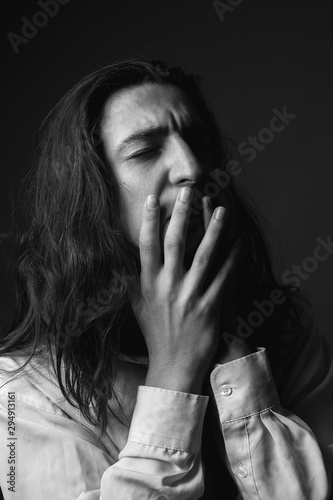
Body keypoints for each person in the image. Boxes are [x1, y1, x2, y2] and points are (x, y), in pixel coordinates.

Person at [0, 59, 332, 500]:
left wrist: (233, 353)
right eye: (144, 151)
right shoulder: (22, 395)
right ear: (89, 195)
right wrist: (174, 373)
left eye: (197, 141)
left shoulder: (284, 330)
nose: (192, 167)